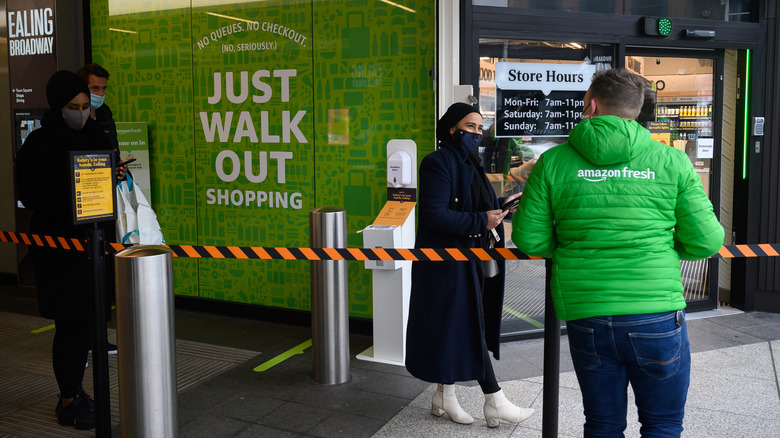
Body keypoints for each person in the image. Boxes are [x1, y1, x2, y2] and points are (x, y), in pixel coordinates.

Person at [512, 68, 724, 437]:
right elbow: (706, 241)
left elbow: (530, 239)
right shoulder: (671, 161)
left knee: (603, 423)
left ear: (591, 105)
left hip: (587, 311)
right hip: (655, 312)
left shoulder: (554, 161)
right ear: (636, 108)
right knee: (662, 424)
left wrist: (573, 248)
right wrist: (664, 247)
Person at [405, 102, 533, 427]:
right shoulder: (437, 162)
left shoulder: (470, 164)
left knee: (455, 327)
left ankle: (443, 396)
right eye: (470, 126)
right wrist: (481, 220)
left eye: (480, 127)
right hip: (446, 263)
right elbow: (435, 214)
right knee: (469, 325)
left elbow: (478, 205)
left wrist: (501, 207)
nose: (476, 132)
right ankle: (495, 399)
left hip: (469, 259)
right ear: (452, 128)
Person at [15, 71, 126, 430]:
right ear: (57, 106)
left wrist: (114, 174)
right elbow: (31, 196)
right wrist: (74, 184)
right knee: (70, 326)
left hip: (95, 245)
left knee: (90, 324)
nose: (80, 112)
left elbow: (103, 183)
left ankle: (77, 392)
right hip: (60, 249)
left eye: (83, 106)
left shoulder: (95, 134)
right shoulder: (39, 143)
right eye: (72, 107)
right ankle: (68, 398)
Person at [75, 63, 119, 154]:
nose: (100, 94)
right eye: (95, 88)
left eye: (103, 89)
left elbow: (114, 151)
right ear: (81, 88)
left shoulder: (106, 116)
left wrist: (118, 166)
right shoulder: (72, 119)